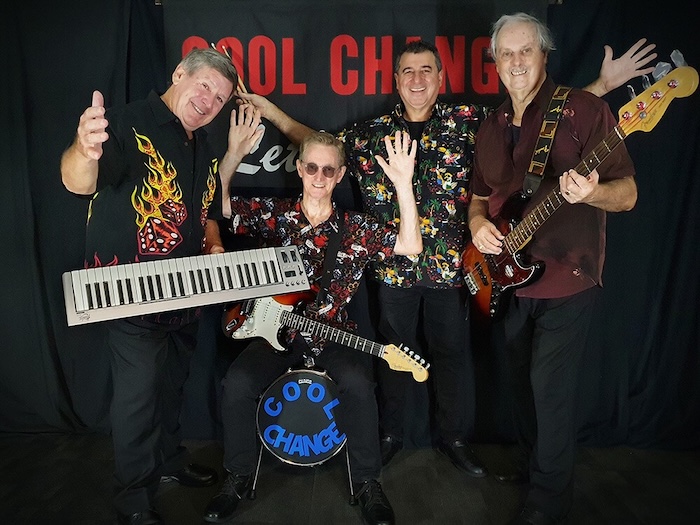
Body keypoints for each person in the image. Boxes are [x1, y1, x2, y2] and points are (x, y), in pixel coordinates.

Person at [235, 34, 656, 477]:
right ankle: (392, 435)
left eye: (426, 70)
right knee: (393, 353)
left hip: (454, 270)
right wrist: (272, 112)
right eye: (408, 71)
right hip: (393, 270)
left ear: (440, 78)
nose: (417, 79)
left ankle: (454, 439)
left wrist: (601, 87)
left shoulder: (470, 122)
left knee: (452, 355)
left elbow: (534, 121)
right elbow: (317, 145)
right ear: (396, 80)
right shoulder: (370, 134)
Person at [61, 48, 245, 525]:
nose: (209, 102)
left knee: (171, 389)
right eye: (204, 86)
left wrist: (214, 242)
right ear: (179, 74)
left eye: (220, 98)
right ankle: (133, 498)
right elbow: (79, 182)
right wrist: (82, 149)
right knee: (137, 401)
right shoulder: (124, 123)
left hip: (186, 296)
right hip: (131, 295)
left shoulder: (204, 144)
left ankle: (167, 461)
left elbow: (204, 212)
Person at [467, 13, 638, 525]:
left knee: (550, 388)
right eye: (506, 53)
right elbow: (479, 197)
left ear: (544, 55)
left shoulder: (584, 109)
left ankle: (548, 501)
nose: (516, 62)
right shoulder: (492, 125)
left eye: (526, 51)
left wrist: (593, 193)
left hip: (568, 274)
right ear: (495, 62)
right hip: (509, 279)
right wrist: (477, 224)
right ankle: (533, 464)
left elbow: (627, 194)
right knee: (522, 387)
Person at [203, 129, 421, 525]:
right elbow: (219, 206)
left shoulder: (356, 228)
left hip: (334, 334)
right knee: (237, 383)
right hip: (274, 333)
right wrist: (233, 154)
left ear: (340, 175)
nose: (319, 177)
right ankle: (237, 476)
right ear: (300, 169)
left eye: (328, 170)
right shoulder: (276, 215)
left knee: (359, 385)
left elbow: (411, 246)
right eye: (312, 167)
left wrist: (404, 184)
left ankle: (367, 483)